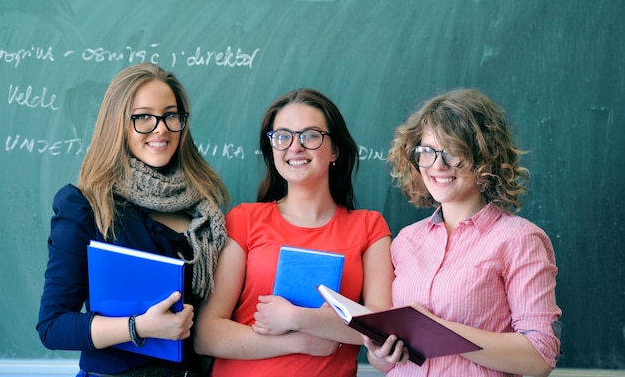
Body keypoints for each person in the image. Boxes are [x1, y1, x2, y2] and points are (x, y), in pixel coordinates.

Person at [37, 63, 229, 376]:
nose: (161, 128)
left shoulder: (204, 211)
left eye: (170, 115)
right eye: (142, 117)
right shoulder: (86, 205)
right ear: (118, 125)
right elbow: (52, 326)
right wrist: (139, 327)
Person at [194, 88, 394, 376]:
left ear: (335, 149)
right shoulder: (244, 220)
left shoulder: (369, 227)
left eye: (310, 135)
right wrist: (301, 341)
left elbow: (381, 330)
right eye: (282, 136)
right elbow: (206, 334)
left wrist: (296, 317)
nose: (295, 147)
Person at [363, 88, 562, 377]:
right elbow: (384, 364)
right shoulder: (406, 240)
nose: (437, 165)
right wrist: (380, 352)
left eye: (453, 152)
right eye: (427, 152)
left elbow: (539, 356)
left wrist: (440, 331)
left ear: (484, 157)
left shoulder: (519, 239)